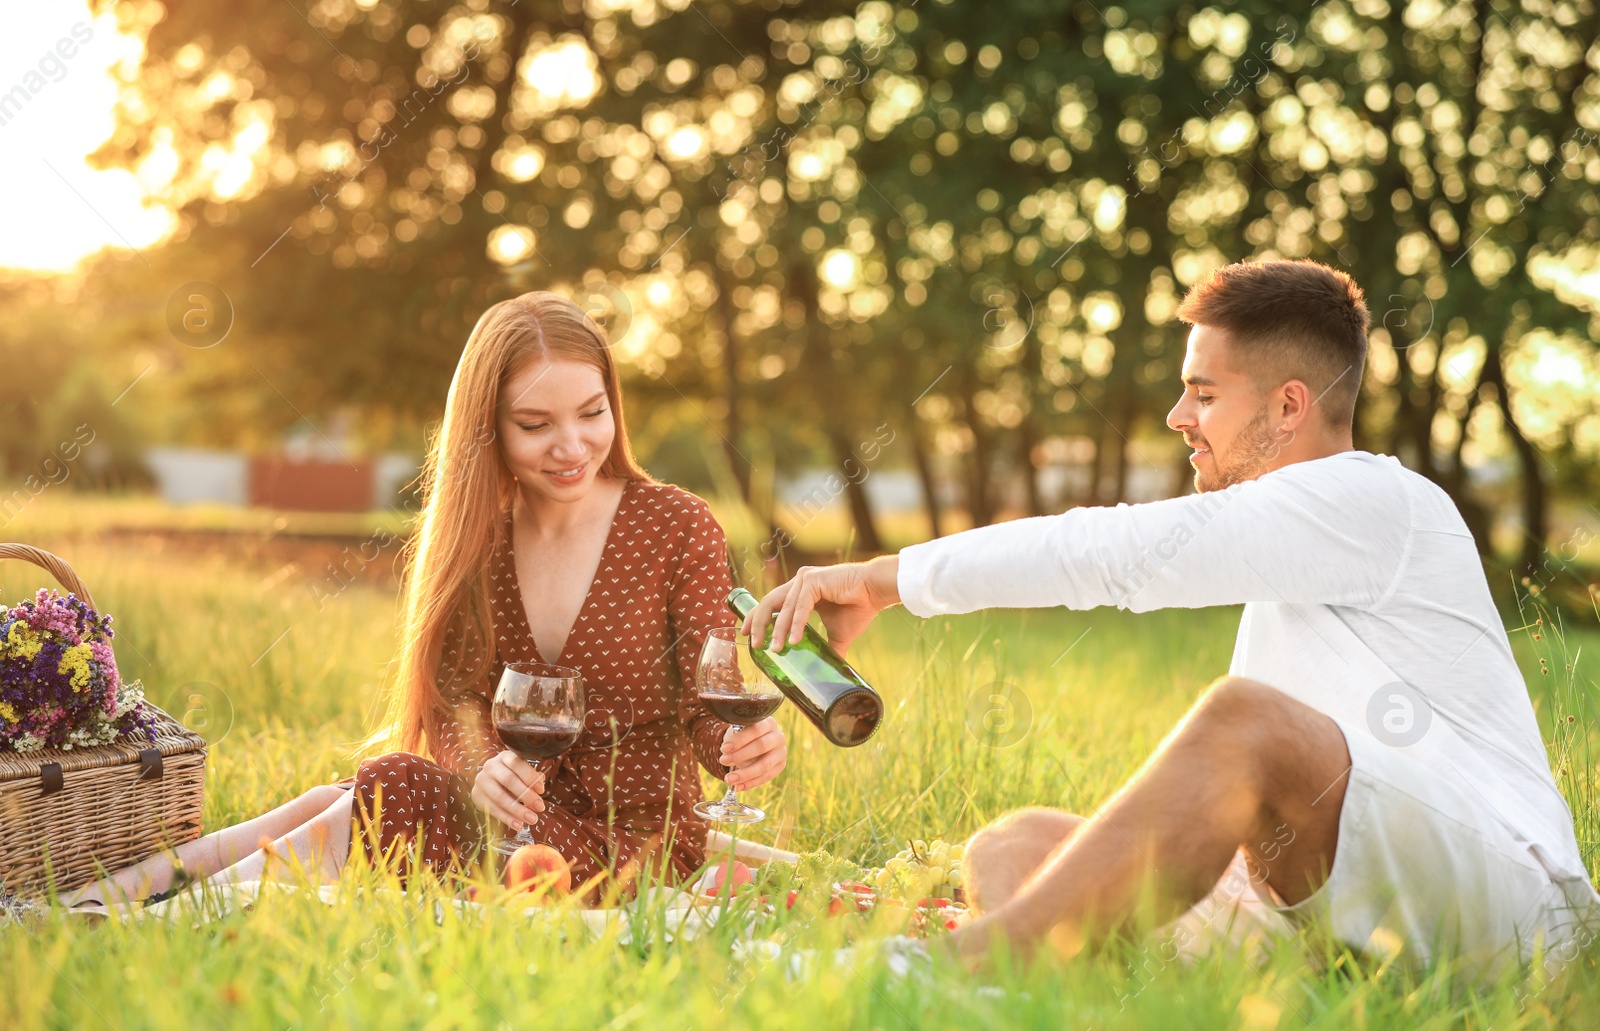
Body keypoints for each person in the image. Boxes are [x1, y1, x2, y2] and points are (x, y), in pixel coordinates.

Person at [743, 259, 1598, 979]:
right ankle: (1049, 991)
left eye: (1203, 393)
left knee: (1244, 719)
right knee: (1014, 846)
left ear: (1289, 406)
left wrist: (888, 580)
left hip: (1516, 905)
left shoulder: (1378, 500)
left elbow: (1112, 551)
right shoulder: (1294, 539)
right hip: (1343, 900)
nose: (1178, 417)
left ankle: (965, 965)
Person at [67, 291, 787, 909]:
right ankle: (118, 890)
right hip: (523, 830)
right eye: (535, 425)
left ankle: (178, 917)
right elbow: (457, 702)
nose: (572, 445)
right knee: (339, 800)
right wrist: (483, 768)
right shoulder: (484, 539)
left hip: (639, 848)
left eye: (592, 413)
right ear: (490, 430)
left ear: (613, 406)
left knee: (391, 786)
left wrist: (736, 745)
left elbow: (713, 690)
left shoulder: (676, 524)